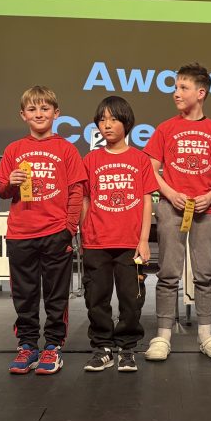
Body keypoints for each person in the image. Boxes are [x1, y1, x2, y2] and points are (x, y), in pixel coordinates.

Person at [142, 63, 211, 362]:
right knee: (168, 273)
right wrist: (169, 193)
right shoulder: (166, 128)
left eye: (182, 88)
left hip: (206, 210)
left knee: (205, 273)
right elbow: (150, 170)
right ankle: (163, 335)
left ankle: (206, 334)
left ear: (201, 92)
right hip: (171, 209)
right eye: (175, 87)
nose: (176, 93)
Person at [0, 86, 87, 376]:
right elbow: (1, 191)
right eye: (32, 109)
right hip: (21, 233)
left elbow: (76, 192)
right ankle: (27, 345)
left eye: (45, 108)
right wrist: (10, 181)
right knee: (24, 294)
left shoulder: (67, 149)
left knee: (56, 294)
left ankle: (53, 347)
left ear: (56, 113)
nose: (39, 114)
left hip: (55, 233)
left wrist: (68, 229)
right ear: (23, 115)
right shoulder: (13, 149)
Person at [80, 96, 158, 373]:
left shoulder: (140, 159)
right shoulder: (90, 159)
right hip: (97, 241)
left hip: (130, 243)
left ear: (127, 123)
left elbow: (147, 200)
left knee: (131, 298)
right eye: (102, 119)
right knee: (96, 298)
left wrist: (144, 240)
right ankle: (101, 348)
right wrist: (85, 231)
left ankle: (127, 349)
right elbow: (85, 199)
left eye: (113, 119)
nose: (107, 125)